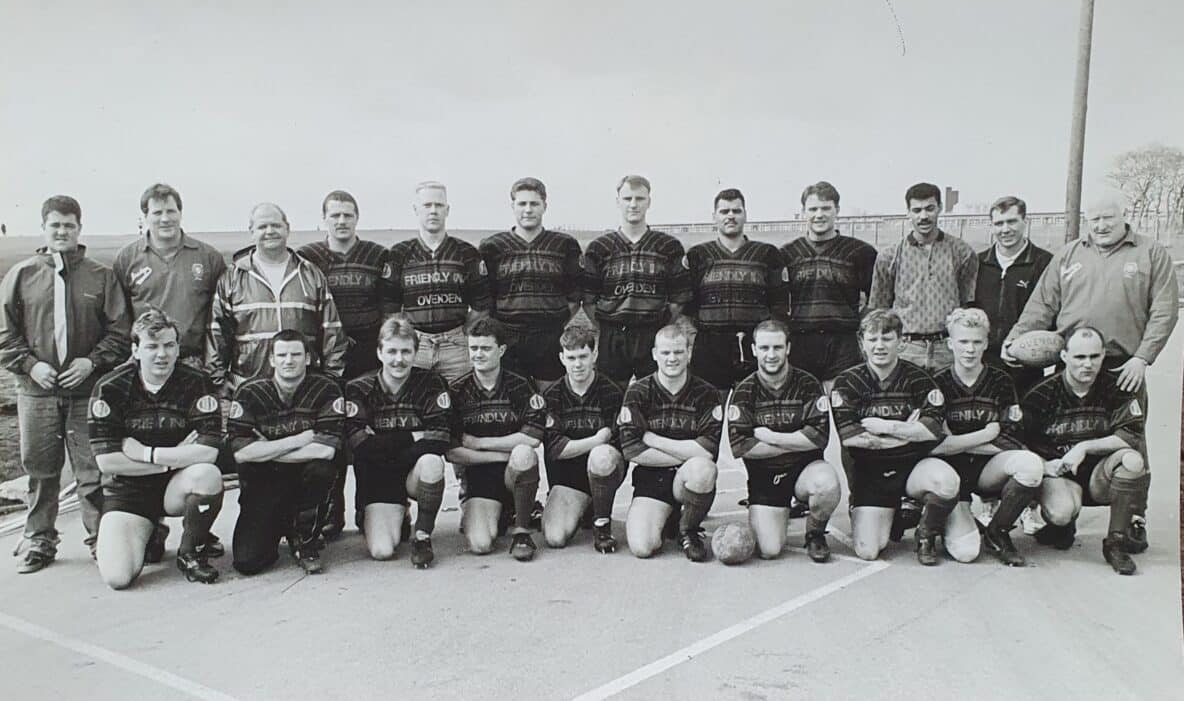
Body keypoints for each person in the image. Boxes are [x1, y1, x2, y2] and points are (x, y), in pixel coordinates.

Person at [1004, 192, 1178, 552]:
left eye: (1108, 219)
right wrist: (1017, 338)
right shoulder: (1069, 255)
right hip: (1073, 358)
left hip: (1121, 364)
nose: (1100, 226)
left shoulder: (1150, 252)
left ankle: (1132, 521)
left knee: (1130, 442)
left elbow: (1164, 310)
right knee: (1058, 436)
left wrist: (1143, 357)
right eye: (1094, 219)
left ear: (1123, 217)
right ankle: (1058, 518)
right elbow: (1043, 303)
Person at [0, 196, 130, 573]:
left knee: (92, 471)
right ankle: (40, 540)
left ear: (79, 228)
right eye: (55, 225)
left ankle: (100, 540)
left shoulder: (100, 276)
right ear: (44, 227)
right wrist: (31, 365)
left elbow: (120, 332)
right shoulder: (22, 275)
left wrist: (92, 361)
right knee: (41, 470)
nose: (62, 231)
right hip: (36, 392)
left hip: (86, 392)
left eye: (69, 225)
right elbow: (4, 334)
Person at [112, 183, 228, 561]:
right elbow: (120, 318)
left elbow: (219, 316)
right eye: (156, 212)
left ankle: (198, 531)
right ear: (143, 217)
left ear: (181, 213)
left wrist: (214, 367)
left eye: (171, 211)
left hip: (192, 364)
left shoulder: (207, 257)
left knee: (193, 448)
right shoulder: (127, 258)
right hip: (146, 366)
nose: (164, 218)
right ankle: (152, 527)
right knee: (149, 439)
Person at [89, 310, 224, 588]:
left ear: (177, 349)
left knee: (207, 474)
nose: (161, 354)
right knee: (117, 578)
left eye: (169, 345)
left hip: (174, 487)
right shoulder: (110, 387)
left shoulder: (196, 381)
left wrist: (146, 453)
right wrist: (172, 459)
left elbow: (208, 453)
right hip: (129, 491)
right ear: (136, 350)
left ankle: (191, 553)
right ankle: (148, 533)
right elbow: (109, 462)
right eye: (152, 346)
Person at [298, 190, 399, 537]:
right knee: (332, 430)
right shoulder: (307, 256)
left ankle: (368, 506)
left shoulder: (376, 255)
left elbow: (388, 307)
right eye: (335, 215)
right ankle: (331, 511)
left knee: (367, 428)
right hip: (325, 354)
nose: (341, 221)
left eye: (348, 215)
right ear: (323, 219)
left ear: (357, 218)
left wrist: (383, 349)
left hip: (368, 352)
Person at [832, 309, 958, 565]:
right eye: (873, 339)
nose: (879, 346)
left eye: (887, 338)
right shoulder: (847, 381)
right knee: (869, 550)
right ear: (862, 343)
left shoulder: (920, 379)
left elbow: (932, 429)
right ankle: (889, 512)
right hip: (870, 474)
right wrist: (909, 431)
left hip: (912, 469)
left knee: (946, 481)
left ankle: (927, 531)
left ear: (900, 341)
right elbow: (851, 437)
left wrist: (887, 428)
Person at [1020, 327, 1147, 575]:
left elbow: (1130, 435)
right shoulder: (1041, 393)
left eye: (1094, 357)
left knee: (1133, 461)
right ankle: (1061, 526)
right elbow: (1018, 441)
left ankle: (1115, 543)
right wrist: (1045, 466)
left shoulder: (1117, 388)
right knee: (1060, 513)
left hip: (1101, 474)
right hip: (1061, 473)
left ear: (1103, 356)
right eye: (1079, 357)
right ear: (1064, 356)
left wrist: (1084, 447)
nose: (1087, 365)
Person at [928, 308, 1045, 566]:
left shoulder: (1001, 380)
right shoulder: (937, 383)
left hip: (988, 470)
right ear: (950, 344)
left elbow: (1011, 440)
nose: (969, 349)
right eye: (963, 341)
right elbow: (935, 446)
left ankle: (998, 531)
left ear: (986, 343)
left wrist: (958, 443)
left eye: (976, 342)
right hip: (952, 475)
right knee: (966, 553)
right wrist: (985, 434)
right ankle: (950, 518)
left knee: (1030, 464)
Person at [227, 330, 345, 575]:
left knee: (322, 469)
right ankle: (279, 524)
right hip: (264, 482)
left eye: (295, 354)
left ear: (308, 358)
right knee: (248, 562)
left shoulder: (326, 389)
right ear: (271, 360)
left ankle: (305, 536)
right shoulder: (249, 392)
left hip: (304, 477)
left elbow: (325, 450)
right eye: (282, 355)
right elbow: (241, 453)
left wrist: (267, 449)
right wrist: (298, 440)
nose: (288, 360)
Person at [727, 320, 840, 561]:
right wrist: (796, 440)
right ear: (754, 349)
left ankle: (815, 533)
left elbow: (819, 438)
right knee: (769, 550)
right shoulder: (744, 391)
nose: (771, 355)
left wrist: (771, 437)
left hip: (804, 471)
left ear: (788, 348)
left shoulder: (808, 384)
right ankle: (778, 512)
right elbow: (743, 447)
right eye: (764, 348)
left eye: (777, 347)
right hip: (764, 476)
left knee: (827, 484)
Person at [344, 315, 451, 568]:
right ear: (379, 352)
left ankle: (423, 535)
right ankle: (397, 514)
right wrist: (412, 437)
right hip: (379, 479)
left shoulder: (431, 383)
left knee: (432, 463)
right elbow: (359, 445)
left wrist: (383, 446)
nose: (398, 359)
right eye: (391, 351)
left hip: (410, 472)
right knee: (382, 551)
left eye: (406, 351)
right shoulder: (358, 388)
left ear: (416, 353)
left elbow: (439, 439)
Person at [206, 202, 347, 392]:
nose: (270, 231)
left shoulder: (310, 274)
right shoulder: (232, 278)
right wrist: (219, 380)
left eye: (276, 225)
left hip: (304, 388)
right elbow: (217, 332)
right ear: (251, 231)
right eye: (262, 227)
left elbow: (332, 330)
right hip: (249, 386)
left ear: (287, 229)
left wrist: (331, 380)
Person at [618, 324, 722, 562]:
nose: (672, 358)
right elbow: (632, 450)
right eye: (666, 353)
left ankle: (689, 529)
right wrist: (689, 453)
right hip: (652, 477)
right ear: (655, 354)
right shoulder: (638, 391)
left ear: (689, 353)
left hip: (688, 478)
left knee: (703, 470)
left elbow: (708, 450)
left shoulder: (707, 393)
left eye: (678, 352)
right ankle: (671, 517)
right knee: (642, 547)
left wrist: (653, 439)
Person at [446, 317, 547, 561]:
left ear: (501, 350)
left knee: (524, 454)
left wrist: (481, 444)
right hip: (479, 476)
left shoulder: (520, 385)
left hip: (513, 472)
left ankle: (522, 530)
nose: (478, 354)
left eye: (486, 348)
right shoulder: (457, 390)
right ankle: (500, 512)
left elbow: (532, 437)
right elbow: (452, 451)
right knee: (480, 544)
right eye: (474, 348)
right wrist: (501, 454)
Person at [581, 175, 692, 384]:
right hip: (613, 335)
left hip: (651, 331)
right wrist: (607, 326)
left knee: (653, 394)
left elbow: (679, 298)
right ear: (617, 202)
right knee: (611, 396)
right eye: (627, 198)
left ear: (649, 201)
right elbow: (588, 300)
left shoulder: (668, 246)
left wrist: (660, 324)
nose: (633, 204)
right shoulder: (599, 247)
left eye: (640, 198)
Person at [479, 177, 582, 384]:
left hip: (550, 335)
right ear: (513, 206)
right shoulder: (492, 246)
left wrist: (553, 322)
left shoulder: (564, 244)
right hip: (508, 336)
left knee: (551, 396)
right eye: (522, 204)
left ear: (545, 206)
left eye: (534, 204)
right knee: (512, 397)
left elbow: (574, 297)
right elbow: (486, 298)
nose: (528, 210)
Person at [868, 182, 978, 373]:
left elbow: (968, 305)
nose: (923, 216)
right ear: (908, 212)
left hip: (948, 348)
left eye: (930, 209)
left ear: (940, 208)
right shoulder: (889, 255)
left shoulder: (962, 252)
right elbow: (879, 310)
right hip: (906, 348)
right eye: (917, 210)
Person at [388, 181, 491, 383]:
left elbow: (482, 303)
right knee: (415, 402)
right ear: (416, 210)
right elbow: (389, 306)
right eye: (427, 205)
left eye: (439, 205)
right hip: (415, 344)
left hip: (456, 344)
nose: (433, 211)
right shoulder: (399, 253)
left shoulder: (467, 252)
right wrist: (406, 336)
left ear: (447, 210)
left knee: (461, 401)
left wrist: (463, 333)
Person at [685, 188, 787, 391]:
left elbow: (779, 303)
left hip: (754, 342)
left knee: (752, 401)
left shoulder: (767, 254)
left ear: (745, 215)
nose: (730, 216)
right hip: (710, 343)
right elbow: (689, 302)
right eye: (724, 211)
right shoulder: (698, 254)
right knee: (711, 403)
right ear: (714, 217)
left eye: (736, 211)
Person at [780, 181, 878, 386]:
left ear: (837, 210)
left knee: (840, 402)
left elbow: (875, 299)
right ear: (803, 212)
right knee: (807, 407)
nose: (819, 215)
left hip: (843, 342)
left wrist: (860, 327)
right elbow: (778, 301)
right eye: (813, 209)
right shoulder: (787, 253)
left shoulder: (861, 252)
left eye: (826, 208)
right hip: (801, 341)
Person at [540, 326, 625, 552]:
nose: (577, 364)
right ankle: (582, 507)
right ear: (561, 358)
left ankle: (601, 523)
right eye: (571, 358)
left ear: (594, 356)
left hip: (601, 472)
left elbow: (616, 449)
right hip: (568, 477)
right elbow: (556, 449)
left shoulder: (612, 392)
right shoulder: (551, 395)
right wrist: (596, 439)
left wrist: (596, 447)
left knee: (602, 455)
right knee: (554, 538)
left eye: (583, 357)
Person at [973, 196, 1053, 391]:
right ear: (991, 226)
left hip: (1025, 364)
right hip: (983, 363)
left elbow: (1051, 310)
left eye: (1011, 221)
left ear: (1025, 222)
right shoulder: (978, 263)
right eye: (999, 223)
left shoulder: (1044, 263)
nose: (1005, 229)